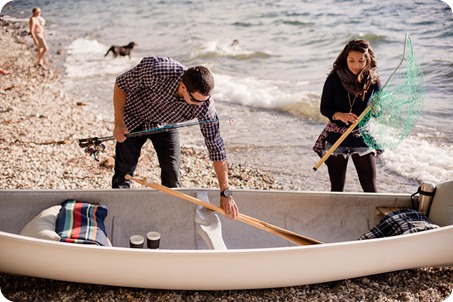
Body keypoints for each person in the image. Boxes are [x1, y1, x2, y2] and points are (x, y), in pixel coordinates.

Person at [112, 56, 239, 219]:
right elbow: (121, 84)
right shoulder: (156, 71)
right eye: (194, 100)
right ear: (183, 87)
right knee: (124, 171)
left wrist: (225, 192)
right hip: (134, 117)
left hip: (166, 123)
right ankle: (119, 214)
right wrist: (118, 123)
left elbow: (216, 146)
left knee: (172, 175)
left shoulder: (204, 106)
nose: (199, 105)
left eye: (203, 101)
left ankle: (169, 218)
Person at [313, 39, 381, 192]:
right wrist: (340, 115)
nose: (356, 65)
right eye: (351, 60)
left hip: (361, 136)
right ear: (345, 58)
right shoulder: (334, 79)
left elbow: (378, 112)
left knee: (370, 189)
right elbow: (324, 108)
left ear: (367, 59)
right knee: (337, 188)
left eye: (360, 61)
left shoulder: (374, 81)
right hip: (336, 138)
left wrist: (377, 109)